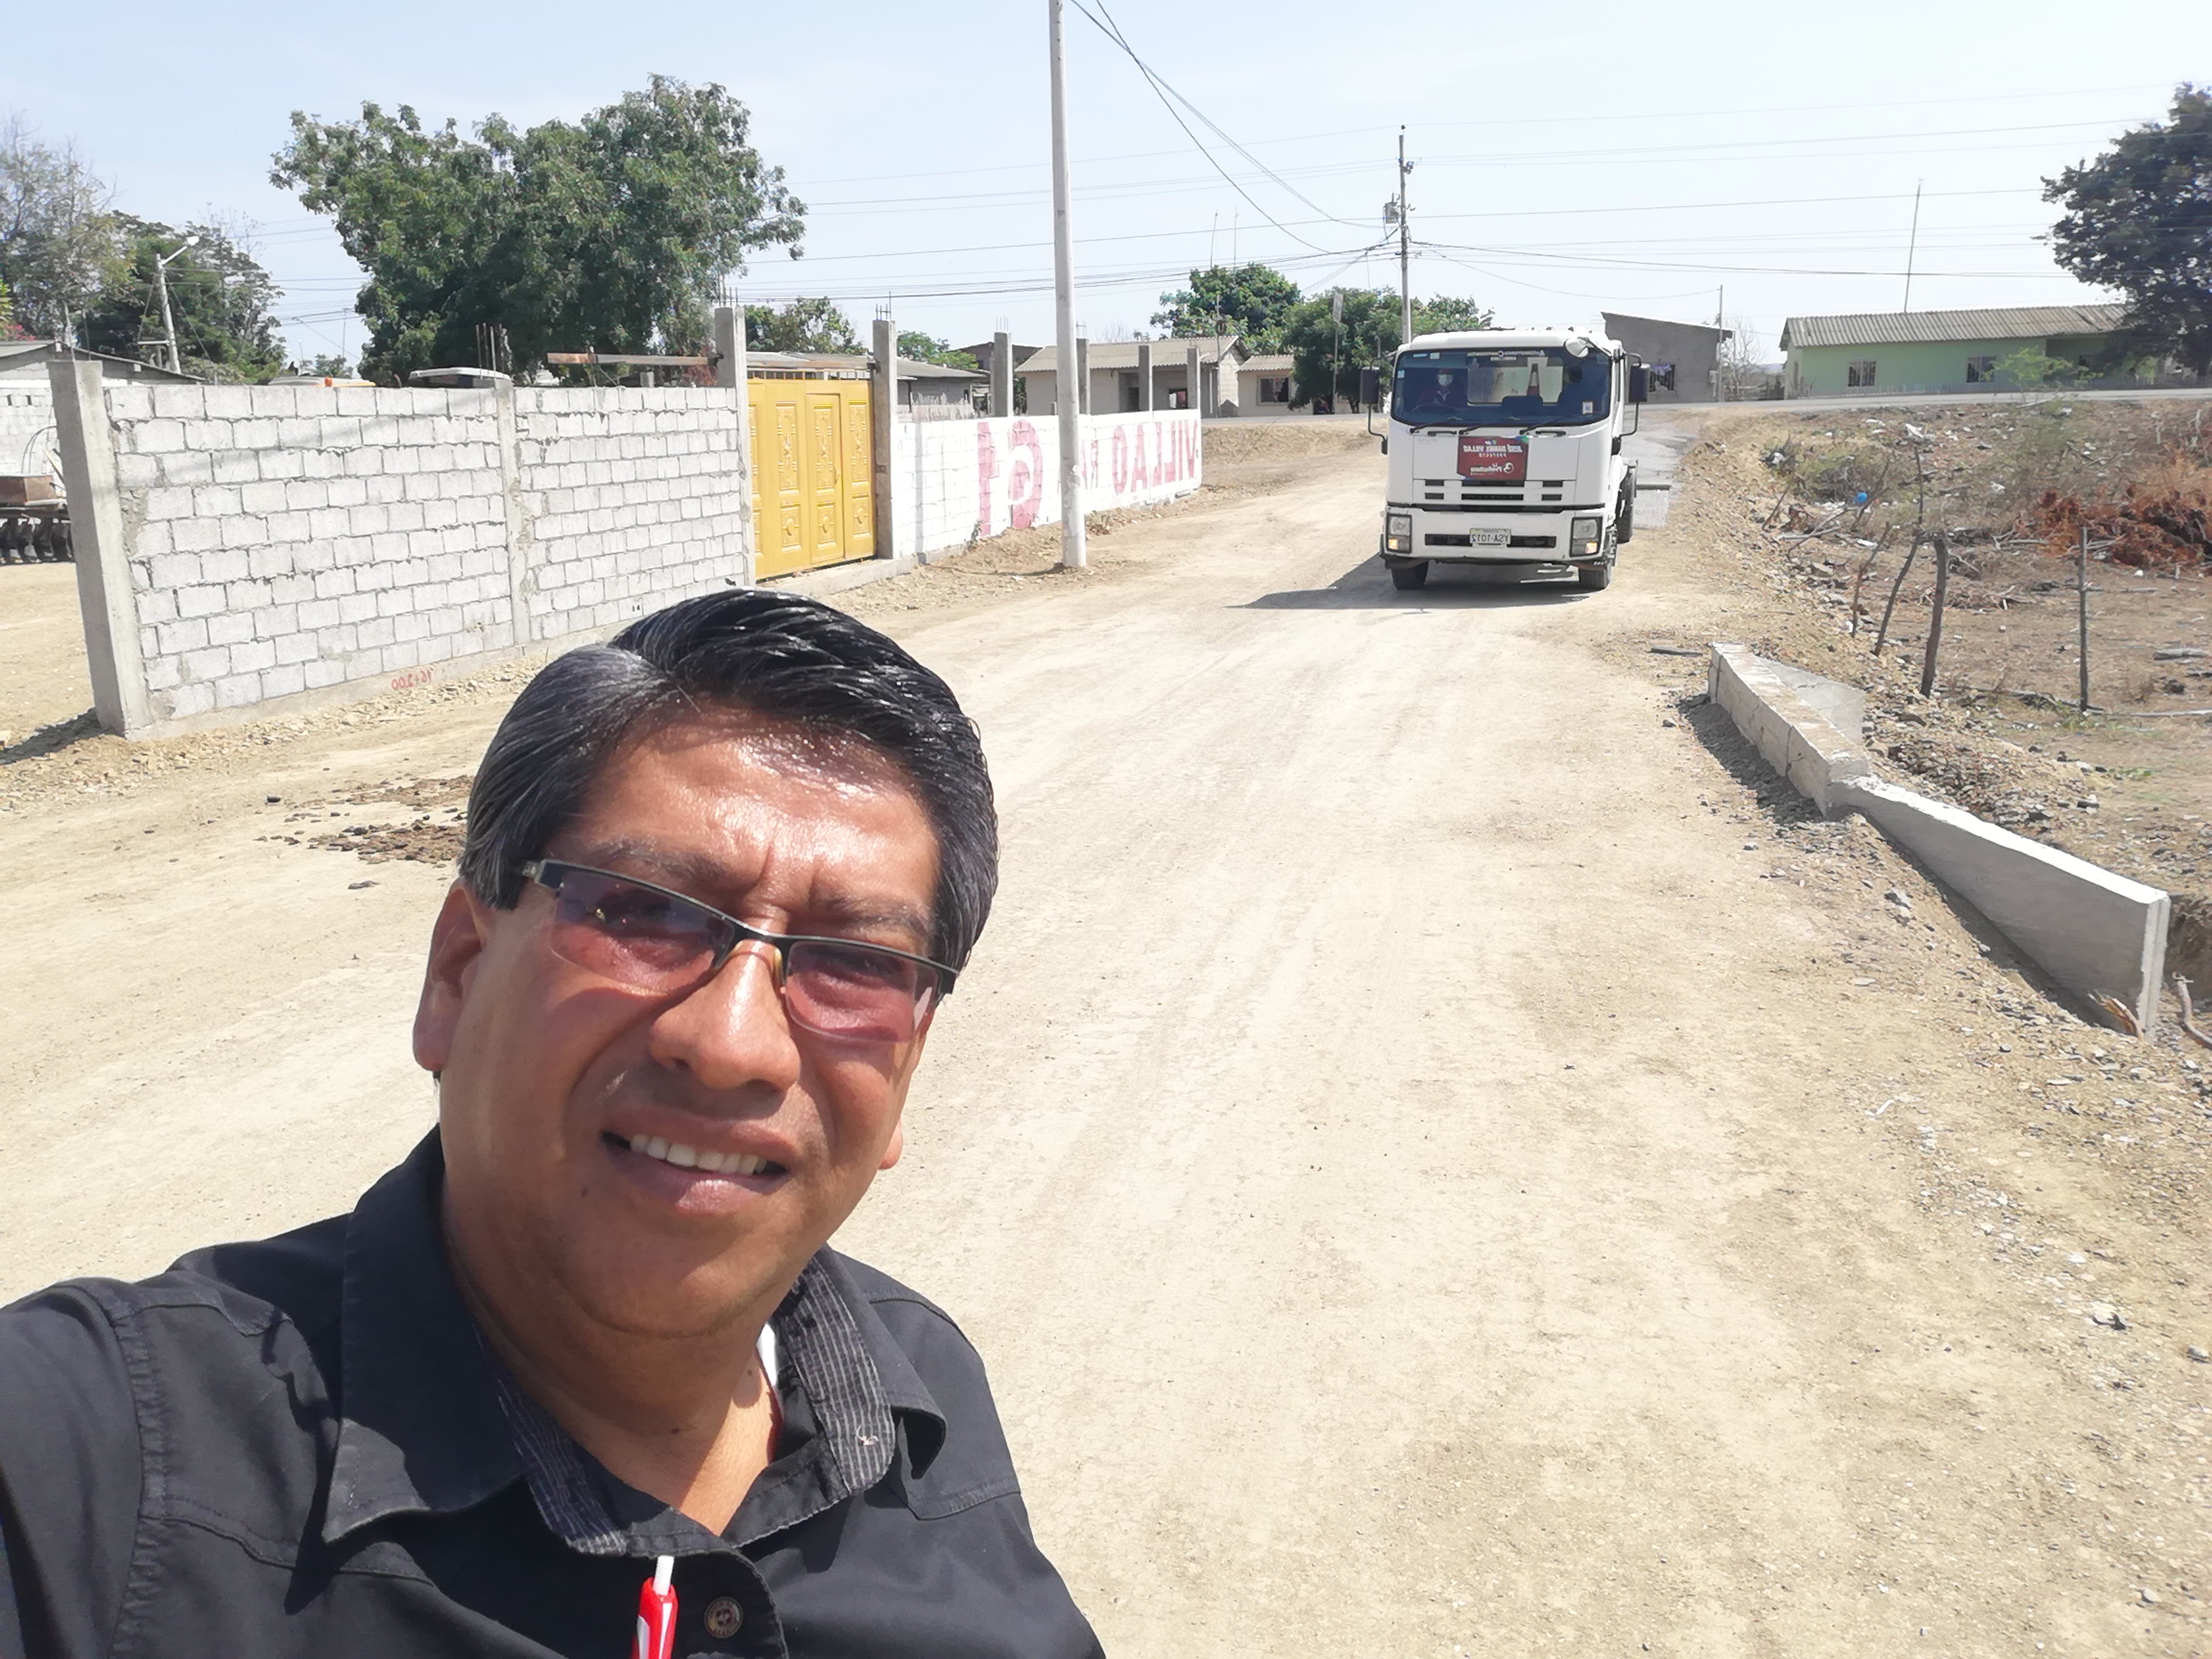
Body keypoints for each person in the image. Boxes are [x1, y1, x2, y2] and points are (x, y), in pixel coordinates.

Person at [0, 590, 1103, 1659]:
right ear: (458, 974)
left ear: (908, 1069)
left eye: (855, 964)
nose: (732, 1044)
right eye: (643, 913)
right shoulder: (88, 1468)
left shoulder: (923, 1398)